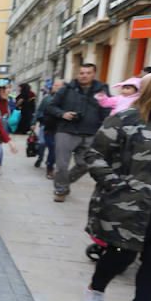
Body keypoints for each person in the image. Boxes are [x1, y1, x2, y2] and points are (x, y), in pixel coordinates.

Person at [82, 69, 151, 301]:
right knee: (122, 255)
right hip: (131, 204)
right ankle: (96, 288)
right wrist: (114, 183)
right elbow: (93, 153)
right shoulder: (129, 118)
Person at [47, 63, 110, 202]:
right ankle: (60, 190)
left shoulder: (102, 90)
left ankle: (66, 181)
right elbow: (51, 106)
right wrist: (62, 114)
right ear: (78, 74)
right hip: (66, 131)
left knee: (85, 164)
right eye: (81, 73)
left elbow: (107, 109)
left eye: (88, 73)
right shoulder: (66, 89)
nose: (84, 75)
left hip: (91, 132)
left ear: (94, 74)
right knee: (61, 165)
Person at [32, 80, 64, 179]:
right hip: (47, 126)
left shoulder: (66, 100)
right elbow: (39, 110)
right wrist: (34, 122)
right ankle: (42, 159)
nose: (55, 86)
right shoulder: (47, 99)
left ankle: (50, 164)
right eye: (54, 85)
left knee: (54, 150)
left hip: (61, 129)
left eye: (57, 85)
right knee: (43, 144)